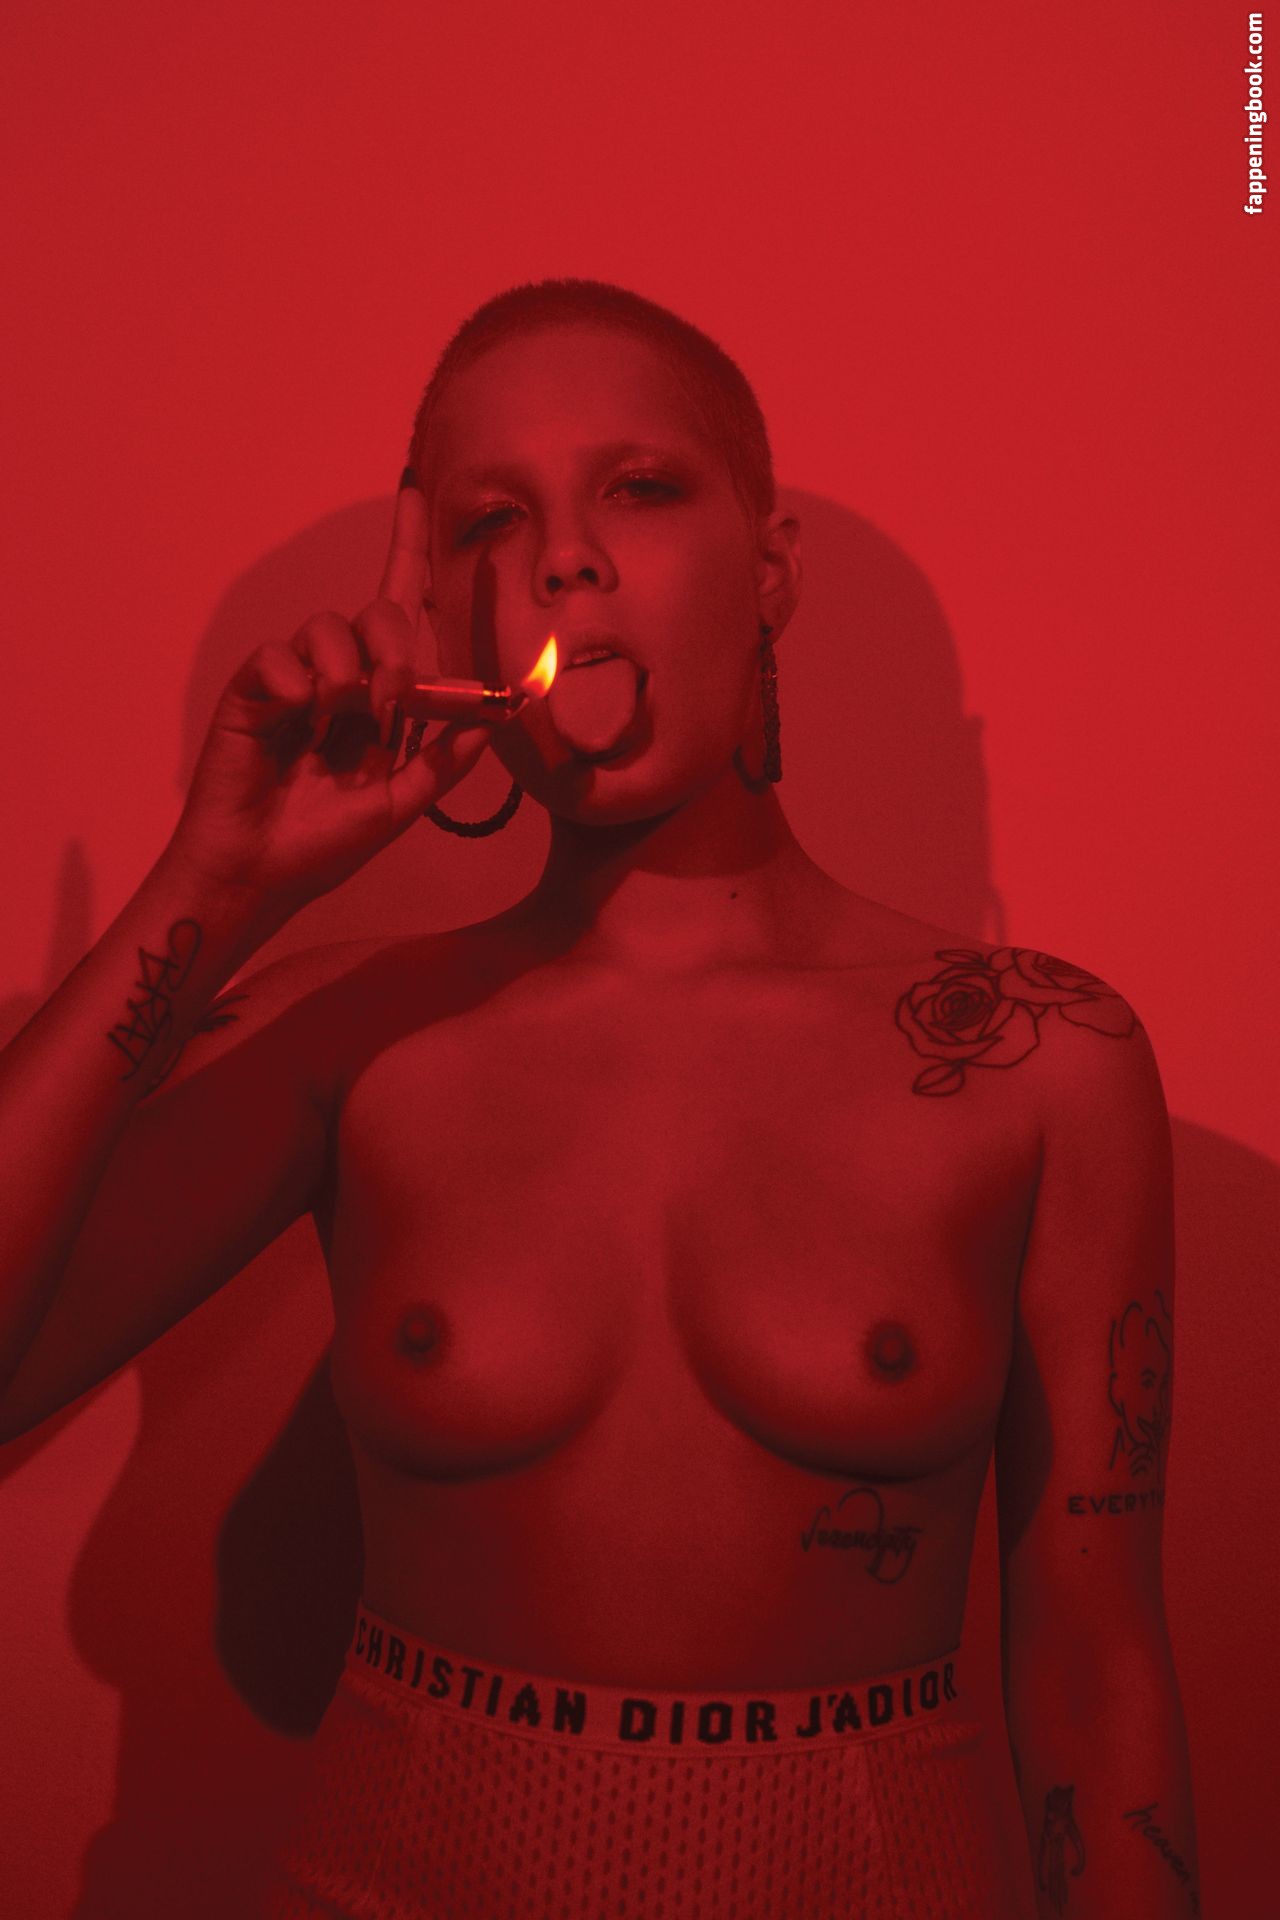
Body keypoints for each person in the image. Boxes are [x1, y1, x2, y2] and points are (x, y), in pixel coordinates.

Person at [0, 279, 1199, 1920]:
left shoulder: (1042, 1060)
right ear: (450, 615)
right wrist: (217, 880)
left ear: (769, 569)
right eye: (493, 521)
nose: (565, 558)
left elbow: (1094, 1667)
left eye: (638, 487)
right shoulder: (357, 1032)